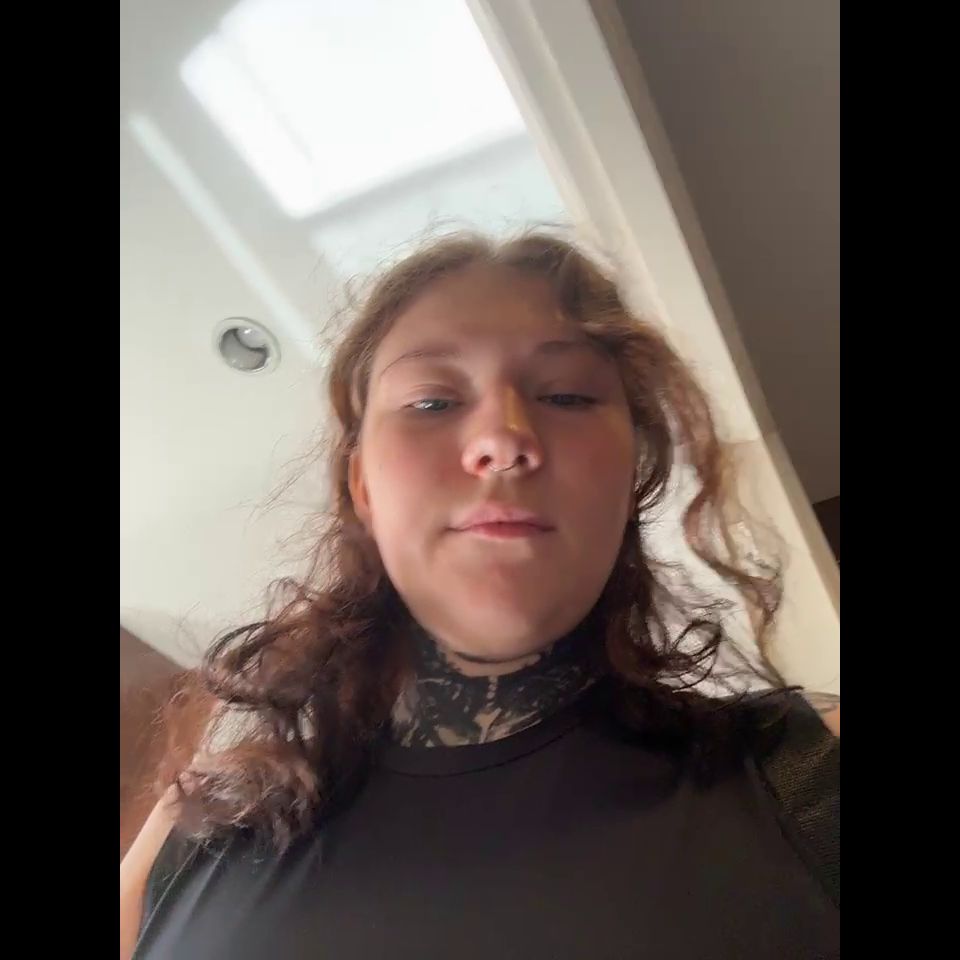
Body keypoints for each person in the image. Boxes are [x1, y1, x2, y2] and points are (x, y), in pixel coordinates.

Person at [120, 231, 839, 960]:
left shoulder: (809, 772)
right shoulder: (197, 825)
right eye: (432, 401)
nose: (503, 438)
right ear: (362, 487)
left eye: (566, 395)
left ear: (632, 478)